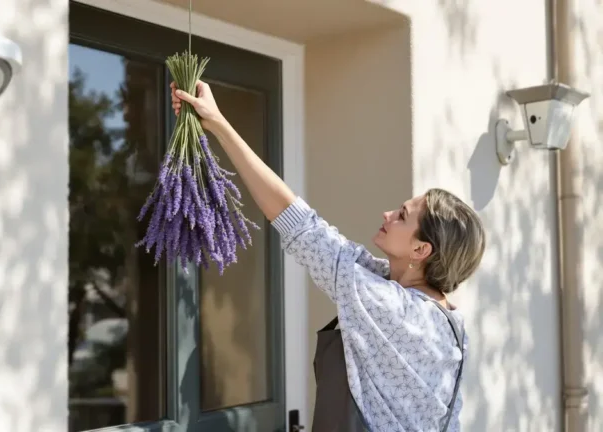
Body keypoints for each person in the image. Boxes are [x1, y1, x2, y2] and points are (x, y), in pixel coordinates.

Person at [170, 80, 485, 432]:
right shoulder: (447, 321)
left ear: (421, 249)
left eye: (401, 215)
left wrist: (219, 125)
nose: (387, 215)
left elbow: (301, 227)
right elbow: (334, 245)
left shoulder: (392, 308)